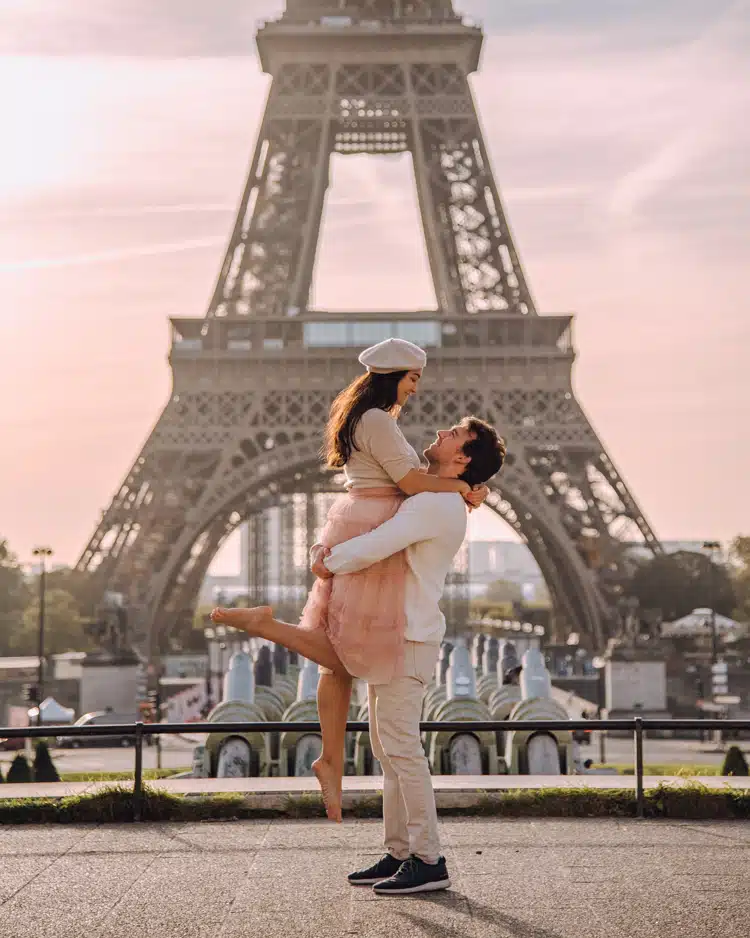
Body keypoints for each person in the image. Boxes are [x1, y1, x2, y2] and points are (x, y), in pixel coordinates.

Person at [211, 415, 506, 895]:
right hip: (395, 633)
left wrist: (325, 560)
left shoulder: (435, 502)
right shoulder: (440, 496)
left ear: (463, 457)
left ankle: (429, 859)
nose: (441, 432)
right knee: (389, 751)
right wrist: (471, 490)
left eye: (453, 433)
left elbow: (377, 543)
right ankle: (400, 851)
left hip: (407, 638)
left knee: (402, 750)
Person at [213, 337, 485, 821]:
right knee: (343, 649)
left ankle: (331, 760)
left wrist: (455, 489)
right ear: (393, 376)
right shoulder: (379, 420)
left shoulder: (376, 419)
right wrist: (463, 486)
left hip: (362, 519)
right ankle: (265, 628)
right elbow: (409, 484)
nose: (416, 390)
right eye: (413, 379)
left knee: (337, 658)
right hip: (373, 526)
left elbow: (413, 480)